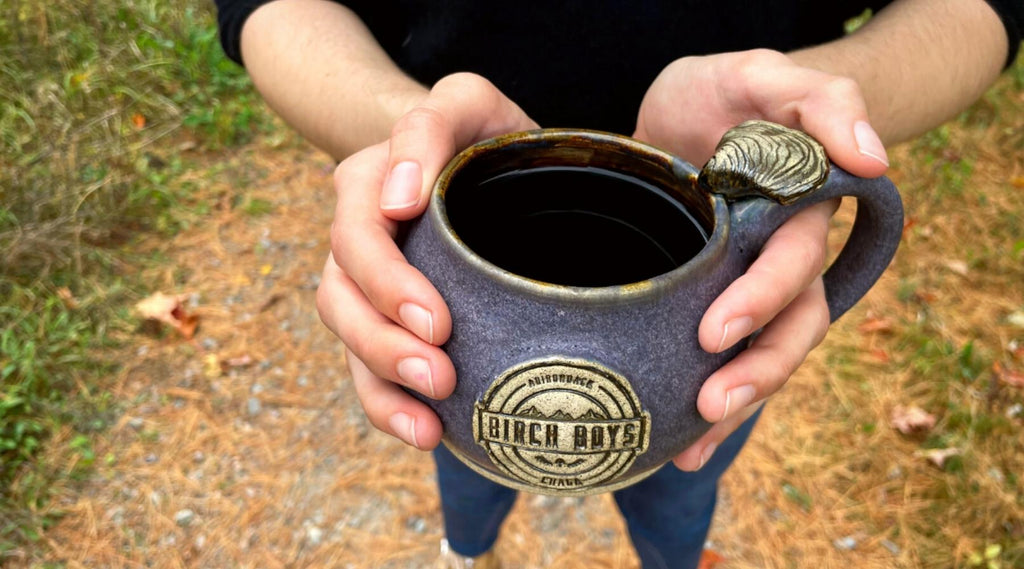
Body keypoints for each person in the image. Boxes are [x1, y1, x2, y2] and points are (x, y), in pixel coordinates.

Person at [212, 1, 1022, 567]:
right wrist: (403, 135)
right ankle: (469, 548)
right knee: (458, 452)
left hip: (709, 302)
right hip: (453, 306)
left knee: (682, 480)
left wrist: (793, 118)